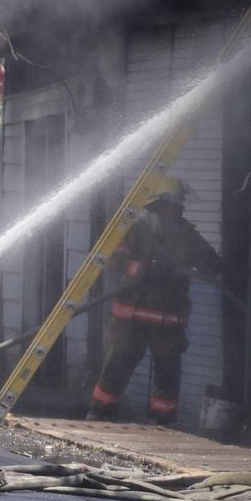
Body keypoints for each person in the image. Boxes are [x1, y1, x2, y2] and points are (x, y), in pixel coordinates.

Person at [87, 178, 220, 426]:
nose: (178, 209)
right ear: (160, 204)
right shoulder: (135, 228)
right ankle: (101, 412)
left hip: (168, 318)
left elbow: (211, 264)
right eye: (174, 203)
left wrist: (212, 269)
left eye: (179, 205)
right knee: (120, 363)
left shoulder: (187, 235)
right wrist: (143, 270)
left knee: (168, 371)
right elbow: (113, 258)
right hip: (132, 315)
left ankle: (162, 419)